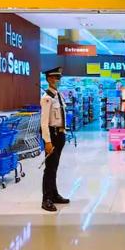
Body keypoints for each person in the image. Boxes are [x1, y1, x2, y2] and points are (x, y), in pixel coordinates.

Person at [40, 66, 70, 212]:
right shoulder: (46, 98)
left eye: (59, 78)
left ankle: (54, 194)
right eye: (54, 78)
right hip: (52, 135)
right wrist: (47, 141)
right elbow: (44, 122)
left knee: (55, 167)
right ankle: (46, 199)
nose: (57, 80)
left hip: (60, 134)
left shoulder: (58, 96)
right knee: (50, 168)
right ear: (49, 79)